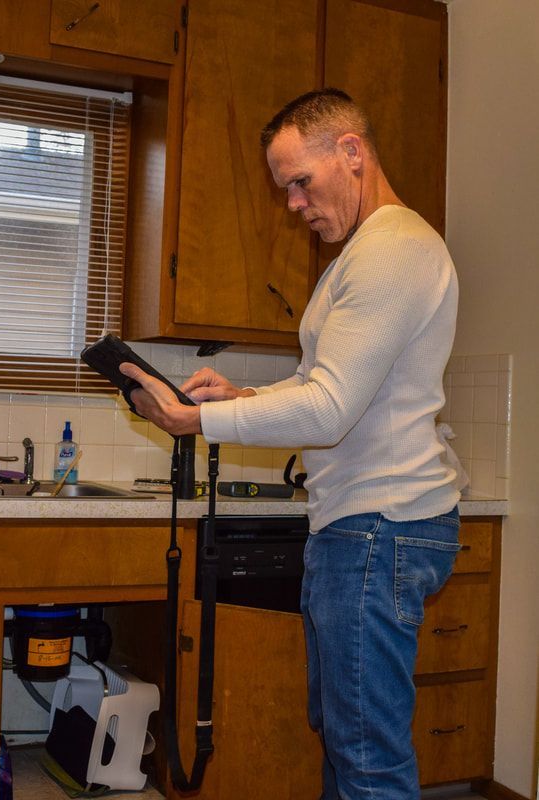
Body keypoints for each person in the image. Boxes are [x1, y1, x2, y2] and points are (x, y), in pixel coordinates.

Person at [120, 88, 461, 800]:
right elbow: (320, 385)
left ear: (351, 152)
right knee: (345, 743)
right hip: (367, 526)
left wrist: (196, 423)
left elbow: (328, 411)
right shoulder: (365, 253)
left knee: (365, 757)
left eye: (300, 182)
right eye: (285, 190)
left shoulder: (391, 251)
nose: (293, 204)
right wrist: (240, 399)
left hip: (379, 527)